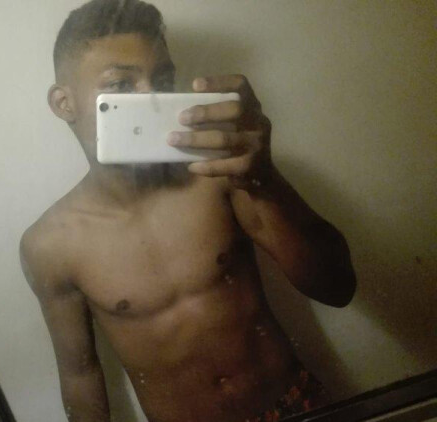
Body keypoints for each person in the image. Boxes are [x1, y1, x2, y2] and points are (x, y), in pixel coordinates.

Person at [20, 1, 356, 421]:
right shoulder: (50, 245)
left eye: (162, 80)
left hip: (293, 405)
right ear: (63, 103)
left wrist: (266, 180)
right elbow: (80, 376)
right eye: (121, 84)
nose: (151, 100)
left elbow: (338, 288)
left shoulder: (218, 173)